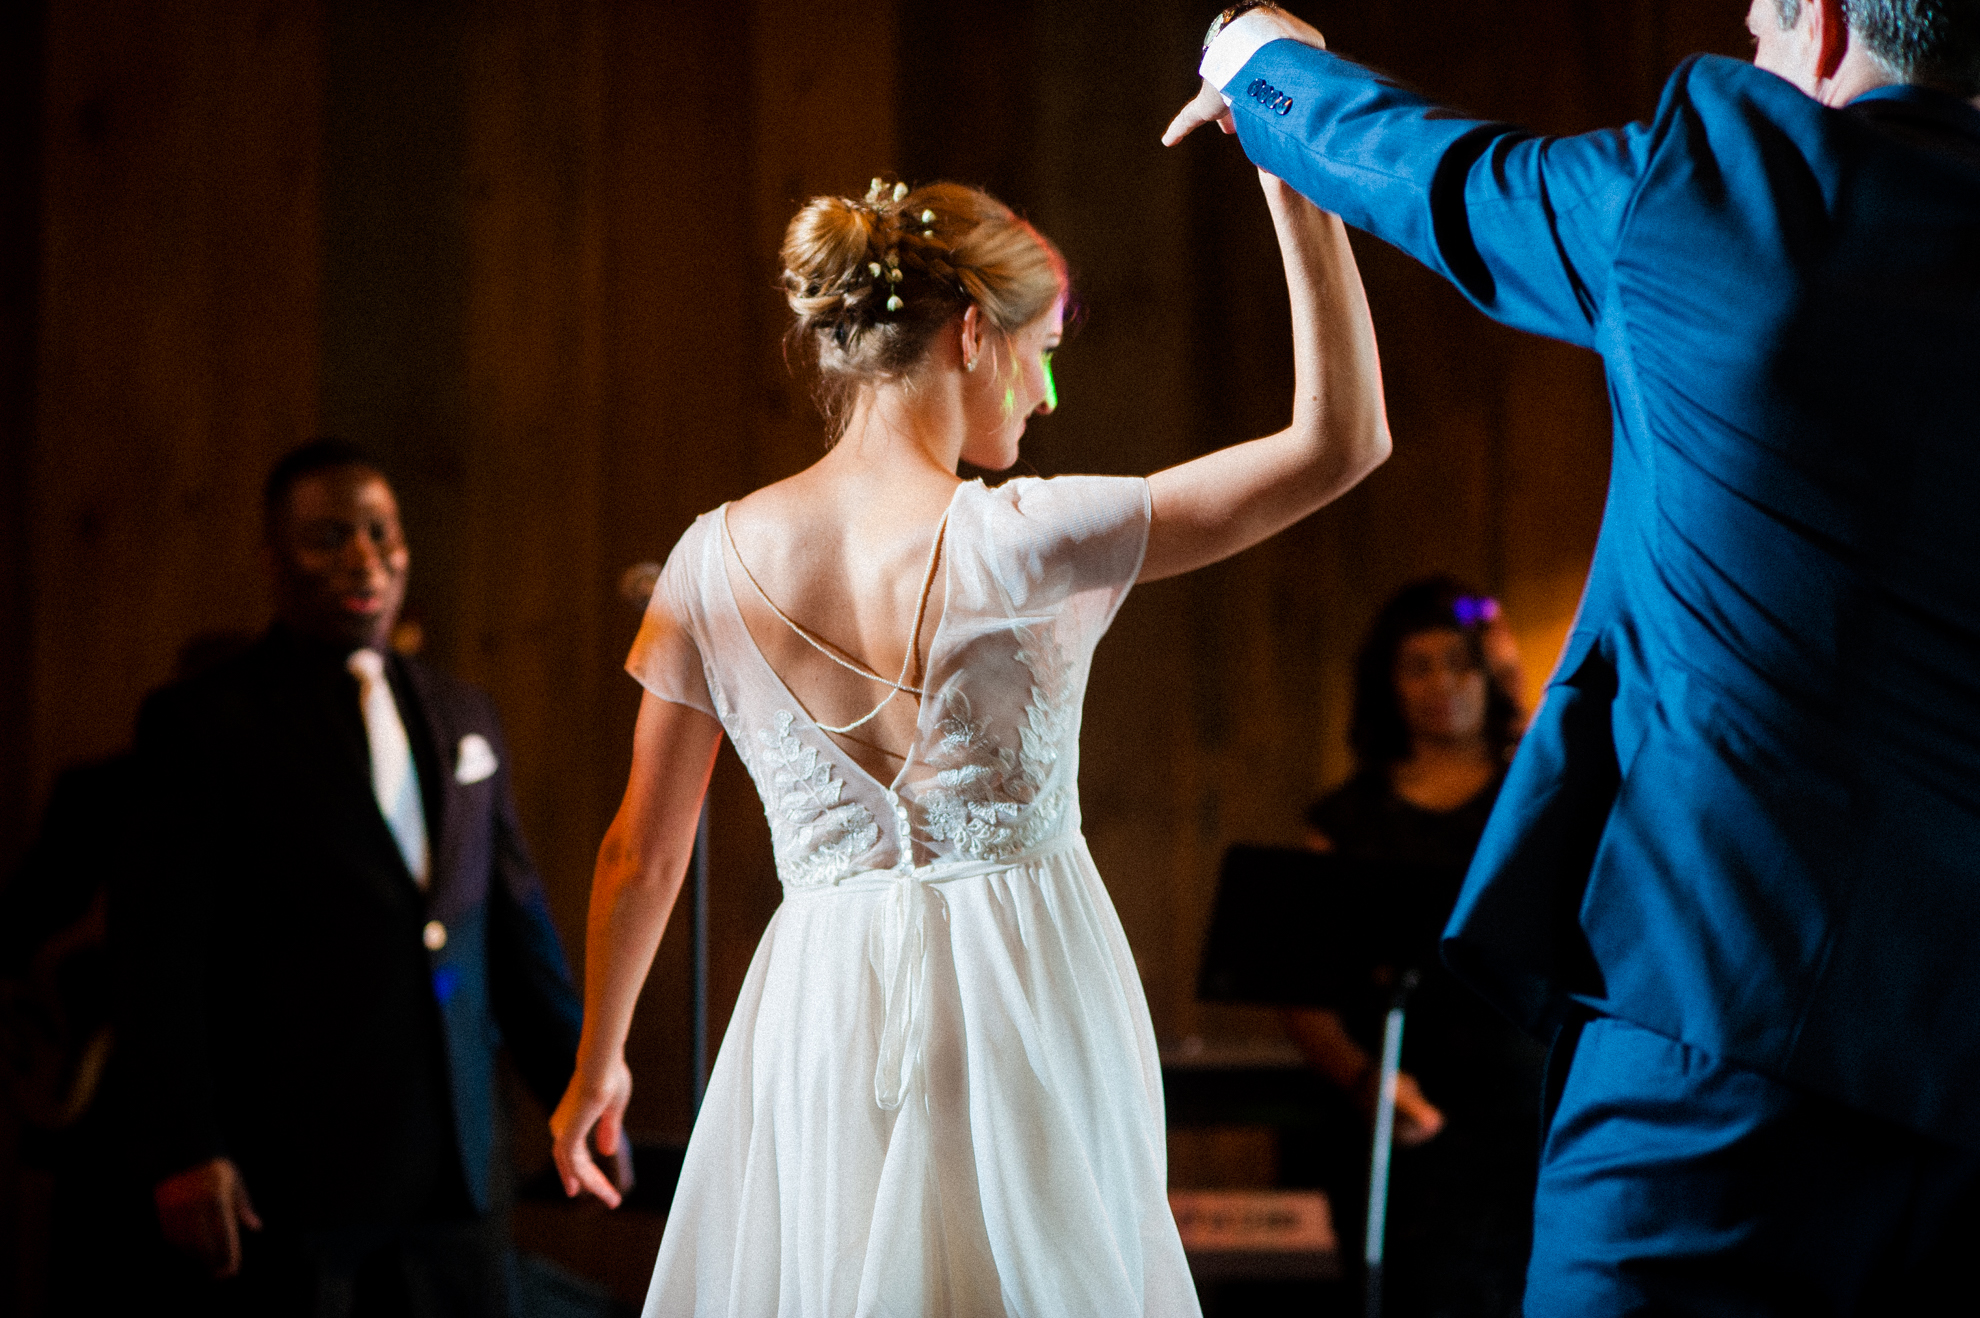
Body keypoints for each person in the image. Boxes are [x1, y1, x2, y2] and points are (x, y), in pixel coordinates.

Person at [1169, 1, 1980, 1310]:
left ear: (1822, 32)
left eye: (1767, 29)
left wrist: (1261, 65)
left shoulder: (1731, 202)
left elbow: (1444, 175)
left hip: (1718, 1024)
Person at [548, 173, 1389, 1313]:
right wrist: (1299, 181)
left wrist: (600, 1060)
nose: (1045, 394)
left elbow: (639, 854)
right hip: (1028, 996)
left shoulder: (708, 563)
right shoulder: (1030, 538)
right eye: (1041, 351)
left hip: (822, 1008)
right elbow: (1342, 442)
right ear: (972, 332)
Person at [121, 439, 588, 1316]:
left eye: (381, 532)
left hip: (457, 1167)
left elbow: (516, 933)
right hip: (291, 1174)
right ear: (272, 560)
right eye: (328, 537)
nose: (364, 559)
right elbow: (159, 958)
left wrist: (581, 1086)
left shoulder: (464, 711)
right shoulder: (202, 722)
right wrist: (185, 1146)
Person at [1284, 577, 1539, 1318]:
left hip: (1527, 1108)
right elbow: (1302, 988)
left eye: (1459, 663)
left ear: (1490, 672)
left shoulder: (1539, 797)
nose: (1440, 685)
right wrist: (1367, 1082)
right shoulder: (1347, 819)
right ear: (1386, 684)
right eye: (1416, 666)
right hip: (1397, 1110)